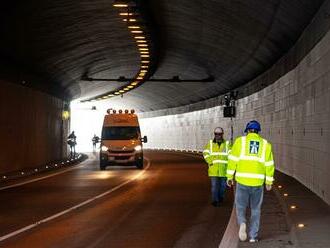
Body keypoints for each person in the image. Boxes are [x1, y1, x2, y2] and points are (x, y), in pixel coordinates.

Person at [226, 120, 275, 243]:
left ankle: (242, 222)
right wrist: (269, 182)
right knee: (256, 209)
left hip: (242, 181)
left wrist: (229, 177)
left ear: (247, 131)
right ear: (258, 131)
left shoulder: (240, 142)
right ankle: (253, 236)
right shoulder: (265, 145)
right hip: (257, 183)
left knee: (241, 207)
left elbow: (232, 161)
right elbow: (269, 165)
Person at [203, 127, 231, 207]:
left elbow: (231, 155)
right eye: (216, 134)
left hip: (224, 169)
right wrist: (210, 161)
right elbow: (205, 153)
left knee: (223, 186)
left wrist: (230, 166)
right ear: (214, 134)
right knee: (214, 186)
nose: (218, 135)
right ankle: (214, 200)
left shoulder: (227, 144)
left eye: (219, 134)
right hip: (213, 169)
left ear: (222, 134)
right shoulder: (210, 144)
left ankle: (220, 197)